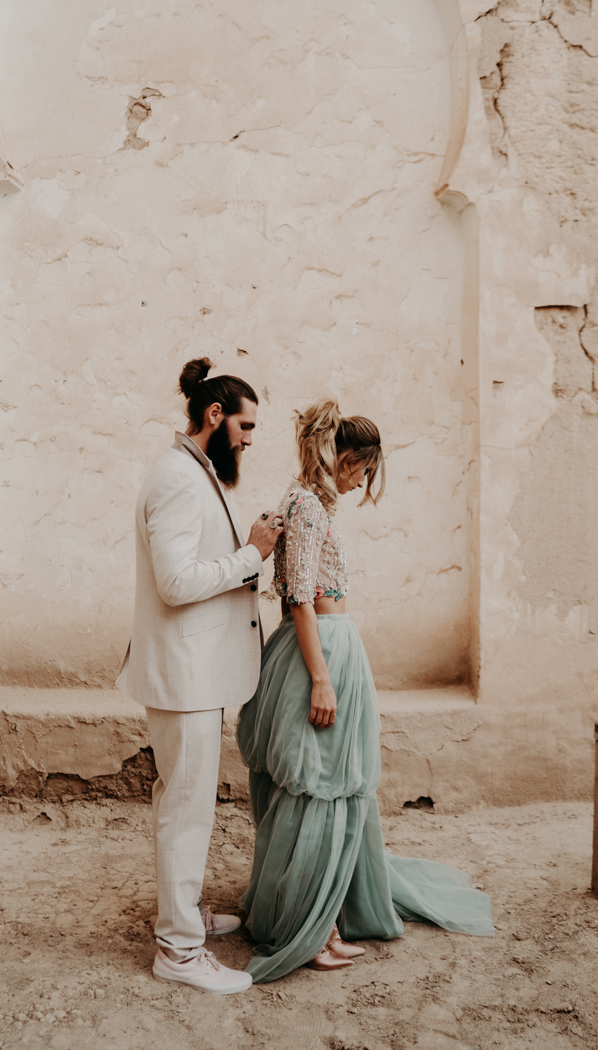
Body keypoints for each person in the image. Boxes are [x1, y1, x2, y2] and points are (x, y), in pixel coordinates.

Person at [236, 399, 494, 983]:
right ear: (348, 458)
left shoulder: (308, 500)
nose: (360, 485)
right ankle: (313, 929)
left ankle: (321, 911)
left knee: (325, 787)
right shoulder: (305, 502)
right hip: (318, 653)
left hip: (328, 647)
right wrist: (322, 677)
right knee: (317, 789)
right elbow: (298, 597)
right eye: (363, 472)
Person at [115, 357, 284, 994]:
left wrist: (245, 547)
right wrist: (252, 556)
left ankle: (182, 918)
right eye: (244, 426)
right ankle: (178, 951)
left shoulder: (193, 469)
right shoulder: (179, 479)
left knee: (180, 803)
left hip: (193, 674)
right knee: (186, 810)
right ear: (214, 415)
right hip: (183, 678)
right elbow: (176, 582)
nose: (248, 438)